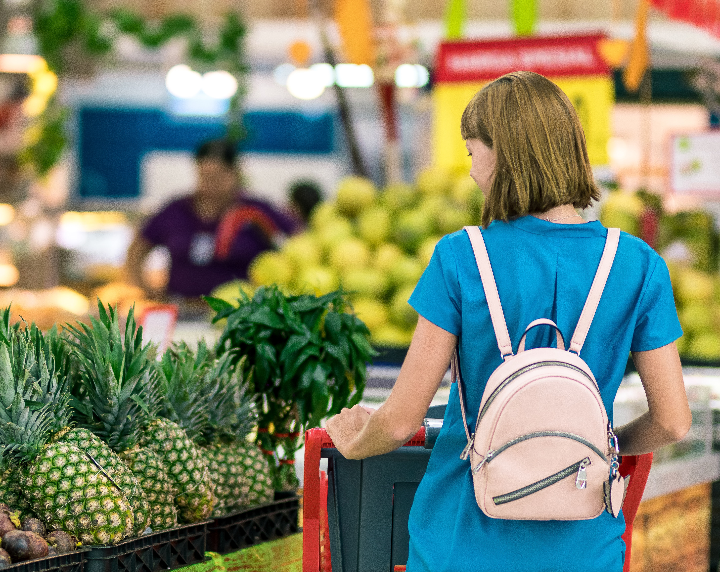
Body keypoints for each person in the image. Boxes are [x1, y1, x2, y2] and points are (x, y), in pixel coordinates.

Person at [324, 71, 691, 571]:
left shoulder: (461, 258)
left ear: (502, 155)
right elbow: (673, 421)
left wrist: (354, 440)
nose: (472, 170)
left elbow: (400, 420)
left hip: (461, 539)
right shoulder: (638, 265)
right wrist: (593, 449)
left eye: (473, 151)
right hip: (584, 547)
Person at [126, 138, 300, 303]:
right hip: (181, 309)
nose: (210, 184)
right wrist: (145, 291)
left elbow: (298, 242)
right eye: (204, 176)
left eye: (218, 177)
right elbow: (137, 250)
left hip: (241, 314)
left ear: (235, 173)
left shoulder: (256, 211)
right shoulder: (176, 210)